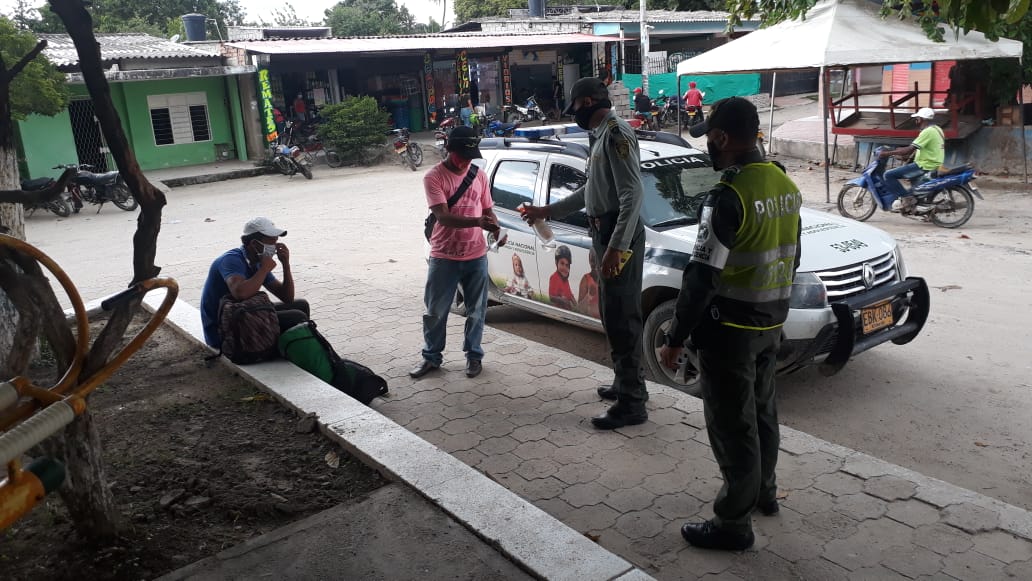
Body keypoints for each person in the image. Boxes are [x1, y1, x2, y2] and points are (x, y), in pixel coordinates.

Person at [658, 97, 802, 552]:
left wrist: (675, 336)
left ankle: (732, 523)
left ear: (722, 138)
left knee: (731, 425)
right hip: (770, 324)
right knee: (763, 414)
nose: (709, 150)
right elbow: (792, 257)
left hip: (730, 332)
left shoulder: (729, 195)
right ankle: (765, 493)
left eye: (710, 140)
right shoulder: (783, 183)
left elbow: (701, 275)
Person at [521, 77, 648, 430]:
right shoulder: (601, 136)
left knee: (622, 318)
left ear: (588, 101)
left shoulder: (616, 135)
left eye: (574, 107)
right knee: (612, 314)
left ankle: (633, 403)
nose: (573, 113)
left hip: (615, 236)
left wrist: (616, 248)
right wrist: (547, 212)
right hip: (603, 233)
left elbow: (632, 196)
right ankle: (627, 383)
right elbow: (591, 190)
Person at [410, 126, 501, 380]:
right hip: (444, 255)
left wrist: (496, 229)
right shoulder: (433, 177)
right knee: (435, 311)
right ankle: (431, 357)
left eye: (470, 155)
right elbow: (443, 217)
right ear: (449, 150)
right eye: (462, 155)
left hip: (476, 254)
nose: (466, 161)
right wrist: (478, 223)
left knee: (477, 310)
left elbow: (487, 210)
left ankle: (474, 357)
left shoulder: (479, 176)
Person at [201, 217, 310, 349]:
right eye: (271, 242)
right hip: (223, 329)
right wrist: (264, 269)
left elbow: (287, 297)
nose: (275, 247)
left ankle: (293, 351)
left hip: (242, 315)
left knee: (301, 305)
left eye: (276, 241)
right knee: (297, 317)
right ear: (254, 244)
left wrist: (285, 264)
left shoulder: (257, 262)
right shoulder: (231, 260)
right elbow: (240, 293)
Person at [880, 107, 944, 211]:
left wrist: (887, 153)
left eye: (917, 118)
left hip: (925, 165)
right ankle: (917, 204)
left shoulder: (927, 132)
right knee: (910, 180)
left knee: (888, 175)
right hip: (933, 163)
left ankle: (906, 200)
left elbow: (909, 149)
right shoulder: (937, 129)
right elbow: (925, 149)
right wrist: (900, 153)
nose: (916, 121)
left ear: (921, 119)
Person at [548, 245, 576, 310]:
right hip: (559, 310)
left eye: (567, 265)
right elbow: (551, 297)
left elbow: (570, 295)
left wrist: (577, 306)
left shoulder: (566, 280)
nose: (565, 268)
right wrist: (562, 300)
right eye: (562, 263)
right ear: (556, 263)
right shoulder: (554, 278)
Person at [577, 248, 601, 318]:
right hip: (590, 319)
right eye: (593, 260)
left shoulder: (607, 280)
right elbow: (580, 309)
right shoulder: (586, 279)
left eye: (598, 261)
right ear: (589, 260)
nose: (595, 265)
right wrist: (589, 295)